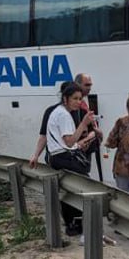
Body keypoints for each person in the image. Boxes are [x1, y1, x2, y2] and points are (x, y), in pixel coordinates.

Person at [45, 81, 99, 236]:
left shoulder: (59, 112)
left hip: (59, 156)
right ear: (65, 99)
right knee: (85, 185)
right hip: (62, 157)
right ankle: (77, 222)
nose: (78, 102)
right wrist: (83, 124)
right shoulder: (63, 114)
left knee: (72, 188)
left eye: (80, 98)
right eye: (75, 98)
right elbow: (69, 141)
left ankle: (74, 223)